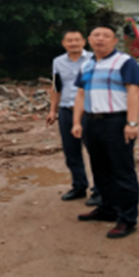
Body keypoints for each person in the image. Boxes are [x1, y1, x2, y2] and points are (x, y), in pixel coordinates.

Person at [71, 25, 139, 239]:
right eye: (96, 35)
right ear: (89, 40)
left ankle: (127, 219)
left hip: (116, 122)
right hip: (91, 122)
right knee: (100, 169)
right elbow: (81, 94)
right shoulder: (87, 64)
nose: (100, 39)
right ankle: (107, 209)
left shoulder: (125, 62)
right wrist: (77, 122)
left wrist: (131, 123)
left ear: (114, 41)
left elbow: (133, 91)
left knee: (122, 171)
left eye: (106, 36)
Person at [46, 29, 101, 206]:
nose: (73, 43)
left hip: (89, 111)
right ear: (64, 44)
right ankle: (79, 186)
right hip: (66, 110)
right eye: (69, 41)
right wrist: (52, 110)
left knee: (95, 151)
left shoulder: (94, 59)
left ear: (84, 42)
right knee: (71, 151)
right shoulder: (58, 62)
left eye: (77, 40)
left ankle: (100, 190)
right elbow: (56, 87)